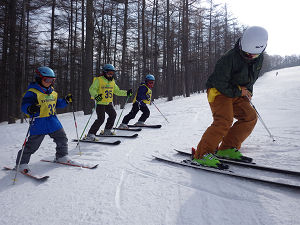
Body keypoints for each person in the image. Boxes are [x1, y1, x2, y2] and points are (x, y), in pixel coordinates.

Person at [193, 26, 268, 168]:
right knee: (224, 121)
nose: (250, 57)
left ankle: (227, 148)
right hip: (219, 91)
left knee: (250, 117)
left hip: (237, 91)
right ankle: (202, 154)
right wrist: (240, 92)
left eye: (254, 55)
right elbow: (220, 83)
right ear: (241, 45)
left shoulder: (258, 58)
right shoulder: (228, 58)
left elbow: (251, 78)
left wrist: (249, 91)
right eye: (247, 54)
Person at [16, 66, 73, 173]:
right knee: (32, 146)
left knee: (62, 139)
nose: (49, 82)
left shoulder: (53, 93)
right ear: (39, 78)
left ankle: (61, 156)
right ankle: (21, 163)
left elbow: (57, 104)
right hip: (39, 123)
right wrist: (29, 108)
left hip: (53, 121)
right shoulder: (32, 92)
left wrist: (65, 100)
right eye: (47, 80)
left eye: (52, 80)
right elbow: (24, 105)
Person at [85, 64, 132, 140]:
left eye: (112, 73)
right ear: (104, 72)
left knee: (113, 115)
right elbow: (92, 89)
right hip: (100, 103)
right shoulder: (99, 80)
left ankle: (107, 130)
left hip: (108, 103)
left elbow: (117, 91)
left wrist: (126, 93)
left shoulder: (112, 82)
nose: (111, 75)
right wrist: (96, 96)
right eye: (109, 73)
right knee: (101, 119)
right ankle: (90, 134)